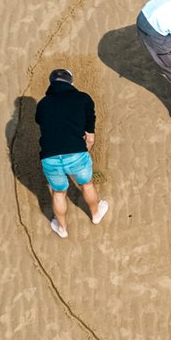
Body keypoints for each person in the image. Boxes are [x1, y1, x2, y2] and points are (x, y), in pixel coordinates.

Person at [35, 68, 108, 238]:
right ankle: (96, 215)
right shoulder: (83, 99)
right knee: (87, 184)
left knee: (59, 193)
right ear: (72, 83)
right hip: (76, 153)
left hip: (49, 157)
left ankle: (62, 228)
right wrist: (83, 153)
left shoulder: (43, 104)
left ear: (51, 84)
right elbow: (89, 138)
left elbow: (40, 121)